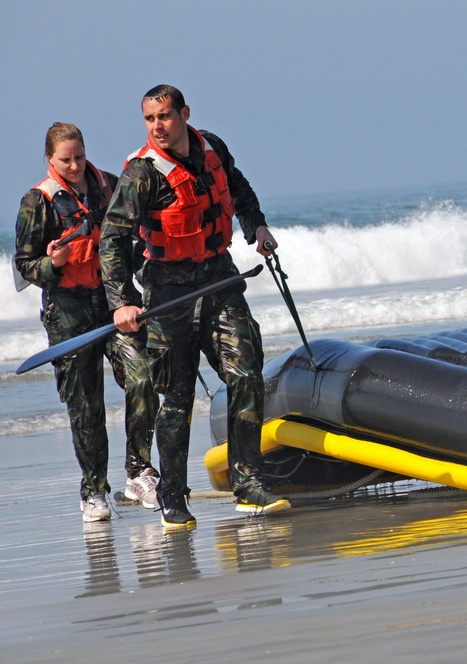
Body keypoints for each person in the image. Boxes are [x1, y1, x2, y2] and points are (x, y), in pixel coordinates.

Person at [100, 85, 290, 528]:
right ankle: (172, 494)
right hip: (168, 291)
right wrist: (122, 302)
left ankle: (248, 484)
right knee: (178, 395)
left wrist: (256, 227)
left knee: (245, 373)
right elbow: (112, 241)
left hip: (220, 276)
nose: (158, 127)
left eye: (164, 116)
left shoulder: (212, 147)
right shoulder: (141, 175)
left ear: (184, 114)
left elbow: (237, 187)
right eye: (149, 119)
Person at [14, 122, 159, 522]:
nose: (75, 165)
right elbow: (24, 266)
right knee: (86, 406)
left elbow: (139, 239)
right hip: (67, 314)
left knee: (143, 376)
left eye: (79, 156)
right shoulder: (36, 202)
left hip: (115, 303)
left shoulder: (110, 187)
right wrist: (52, 263)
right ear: (50, 160)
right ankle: (94, 491)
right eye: (66, 159)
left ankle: (139, 471)